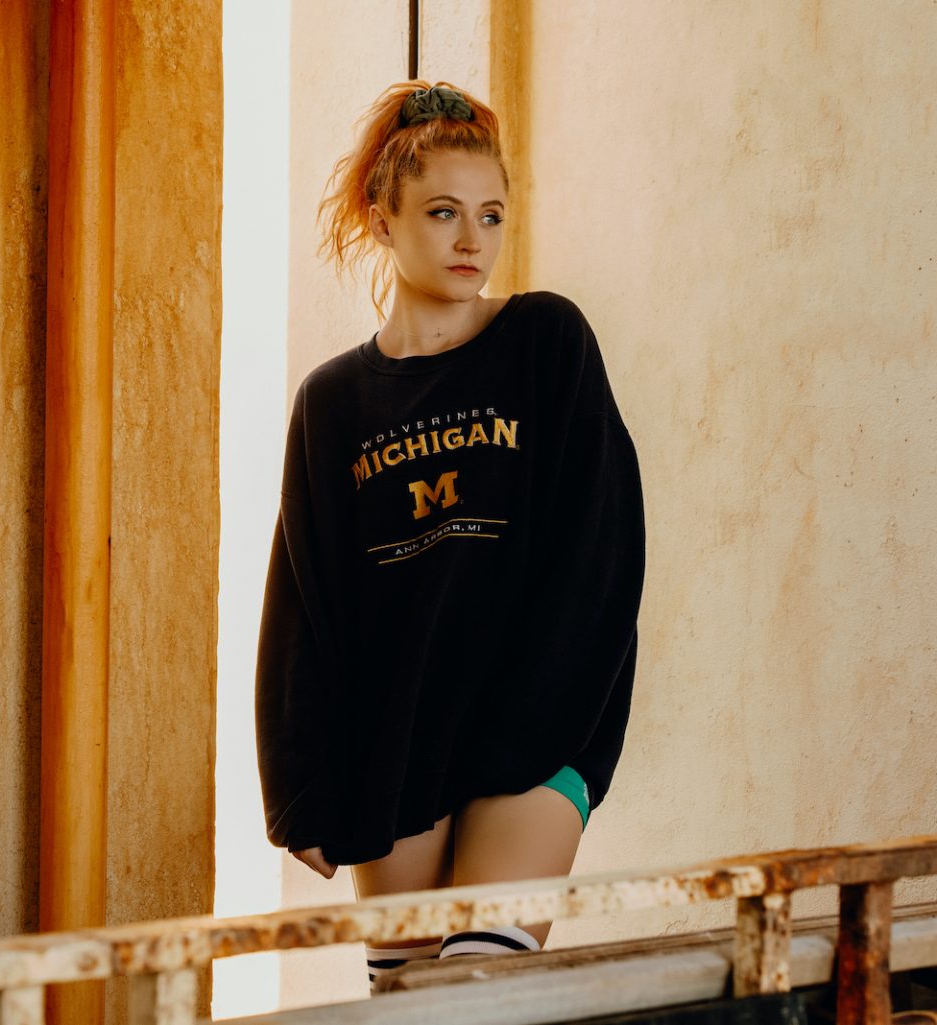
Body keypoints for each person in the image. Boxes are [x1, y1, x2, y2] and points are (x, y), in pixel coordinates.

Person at [253, 81, 647, 995]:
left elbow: (602, 547)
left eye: (490, 214)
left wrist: (547, 715)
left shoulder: (546, 339)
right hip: (395, 742)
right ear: (382, 219)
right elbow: (305, 597)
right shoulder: (332, 401)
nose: (473, 238)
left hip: (536, 726)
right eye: (442, 212)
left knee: (478, 991)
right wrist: (299, 786)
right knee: (405, 1004)